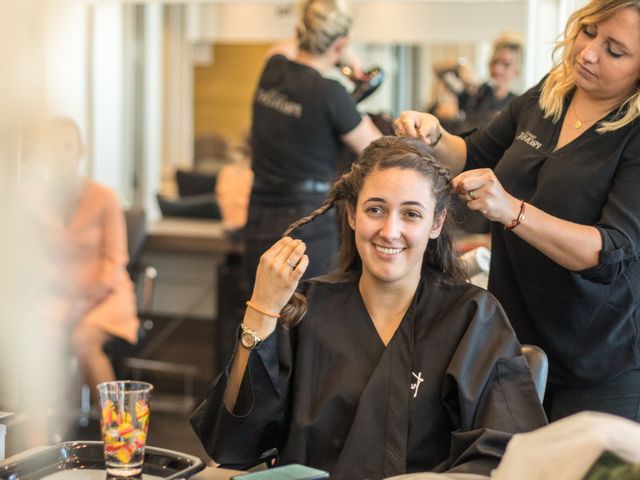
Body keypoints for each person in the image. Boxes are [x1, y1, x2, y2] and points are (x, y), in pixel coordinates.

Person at [190, 136, 546, 479]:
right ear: (352, 215)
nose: (390, 231)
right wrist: (261, 311)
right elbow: (232, 445)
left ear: (436, 223)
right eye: (376, 209)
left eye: (411, 214)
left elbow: (509, 457)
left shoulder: (470, 318)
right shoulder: (306, 310)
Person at [395, 0, 640, 422]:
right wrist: (435, 135)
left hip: (597, 366)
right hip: (515, 343)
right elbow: (472, 153)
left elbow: (608, 252)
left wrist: (512, 211)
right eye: (588, 32)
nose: (588, 53)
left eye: (614, 50)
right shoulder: (548, 95)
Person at [243, 0, 381, 287]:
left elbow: (285, 45)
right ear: (341, 43)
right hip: (307, 223)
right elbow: (380, 150)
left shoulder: (273, 68)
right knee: (306, 316)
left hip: (259, 215)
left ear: (298, 31)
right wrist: (349, 59)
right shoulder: (331, 93)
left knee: (262, 309)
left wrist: (338, 49)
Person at [29, 117, 139, 395]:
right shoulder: (32, 199)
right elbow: (31, 256)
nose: (59, 154)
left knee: (84, 341)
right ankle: (47, 426)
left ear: (80, 152)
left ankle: (118, 428)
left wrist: (87, 297)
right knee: (40, 339)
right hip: (59, 292)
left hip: (106, 293)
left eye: (67, 146)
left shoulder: (104, 197)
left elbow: (116, 259)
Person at [431, 32, 524, 135]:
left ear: (517, 71)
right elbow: (438, 68)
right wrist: (461, 66)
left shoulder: (517, 104)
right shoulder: (475, 92)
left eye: (506, 64)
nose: (497, 69)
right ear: (488, 64)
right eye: (495, 62)